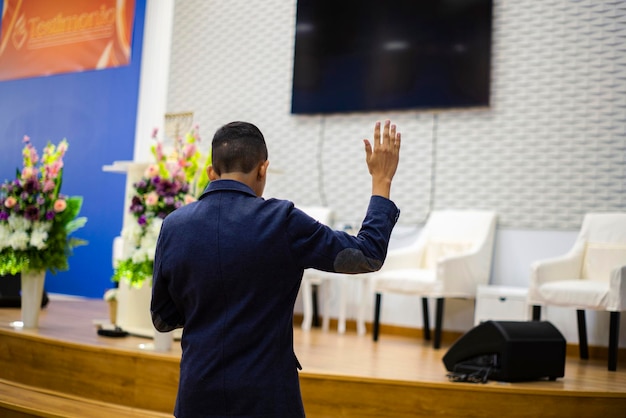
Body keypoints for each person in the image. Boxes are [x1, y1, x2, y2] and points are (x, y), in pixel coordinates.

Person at [151, 119, 402, 417]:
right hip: (266, 398)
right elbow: (367, 254)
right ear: (262, 169)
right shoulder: (282, 221)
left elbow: (163, 319)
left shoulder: (173, 226)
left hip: (197, 395)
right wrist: (381, 180)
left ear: (211, 173)